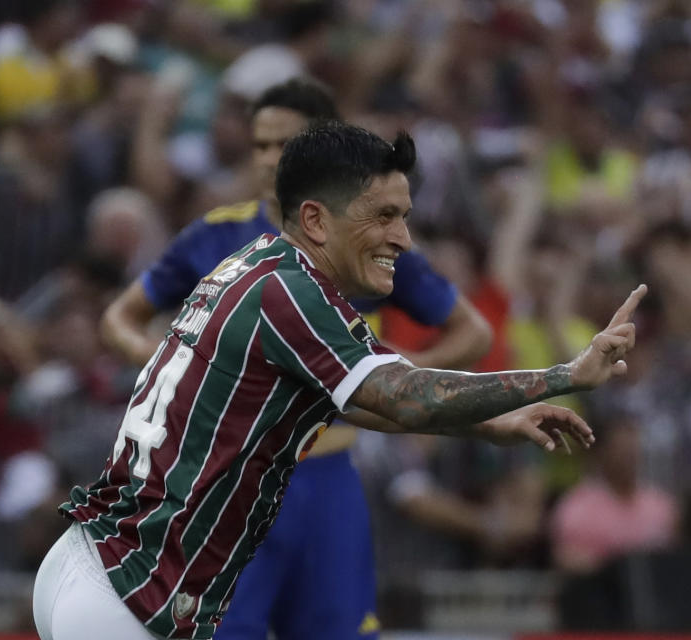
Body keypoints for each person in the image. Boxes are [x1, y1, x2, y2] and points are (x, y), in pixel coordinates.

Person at [33, 120, 646, 640]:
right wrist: (566, 374)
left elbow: (357, 400)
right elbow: (405, 399)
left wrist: (495, 423)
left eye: (404, 216)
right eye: (383, 216)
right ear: (316, 220)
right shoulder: (293, 295)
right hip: (132, 599)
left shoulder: (260, 270)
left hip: (95, 565)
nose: (403, 238)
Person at [100, 78, 493, 639]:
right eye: (259, 144)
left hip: (328, 480)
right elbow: (119, 317)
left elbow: (472, 333)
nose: (268, 159)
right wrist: (166, 360)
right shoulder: (217, 236)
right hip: (233, 479)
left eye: (284, 143)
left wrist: (399, 369)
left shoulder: (364, 238)